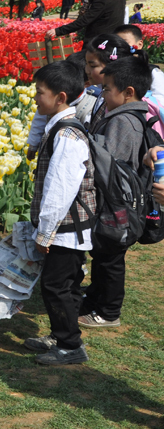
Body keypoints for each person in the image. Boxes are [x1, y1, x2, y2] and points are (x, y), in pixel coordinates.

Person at [25, 60, 94, 365]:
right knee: (64, 285)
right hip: (66, 227)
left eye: (40, 93)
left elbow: (59, 189)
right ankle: (59, 335)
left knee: (56, 286)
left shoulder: (67, 135)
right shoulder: (58, 127)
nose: (35, 98)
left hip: (67, 228)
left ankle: (70, 346)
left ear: (61, 97)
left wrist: (45, 231)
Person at [79, 54, 152, 329]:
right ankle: (95, 299)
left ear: (128, 92)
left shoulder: (124, 121)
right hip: (117, 202)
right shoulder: (128, 116)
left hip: (115, 204)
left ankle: (108, 312)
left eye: (108, 88)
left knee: (110, 260)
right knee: (103, 256)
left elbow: (111, 164)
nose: (104, 93)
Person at [114, 24, 164, 106]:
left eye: (125, 42)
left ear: (140, 44)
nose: (120, 47)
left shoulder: (153, 73)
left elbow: (160, 104)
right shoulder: (111, 71)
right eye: (117, 43)